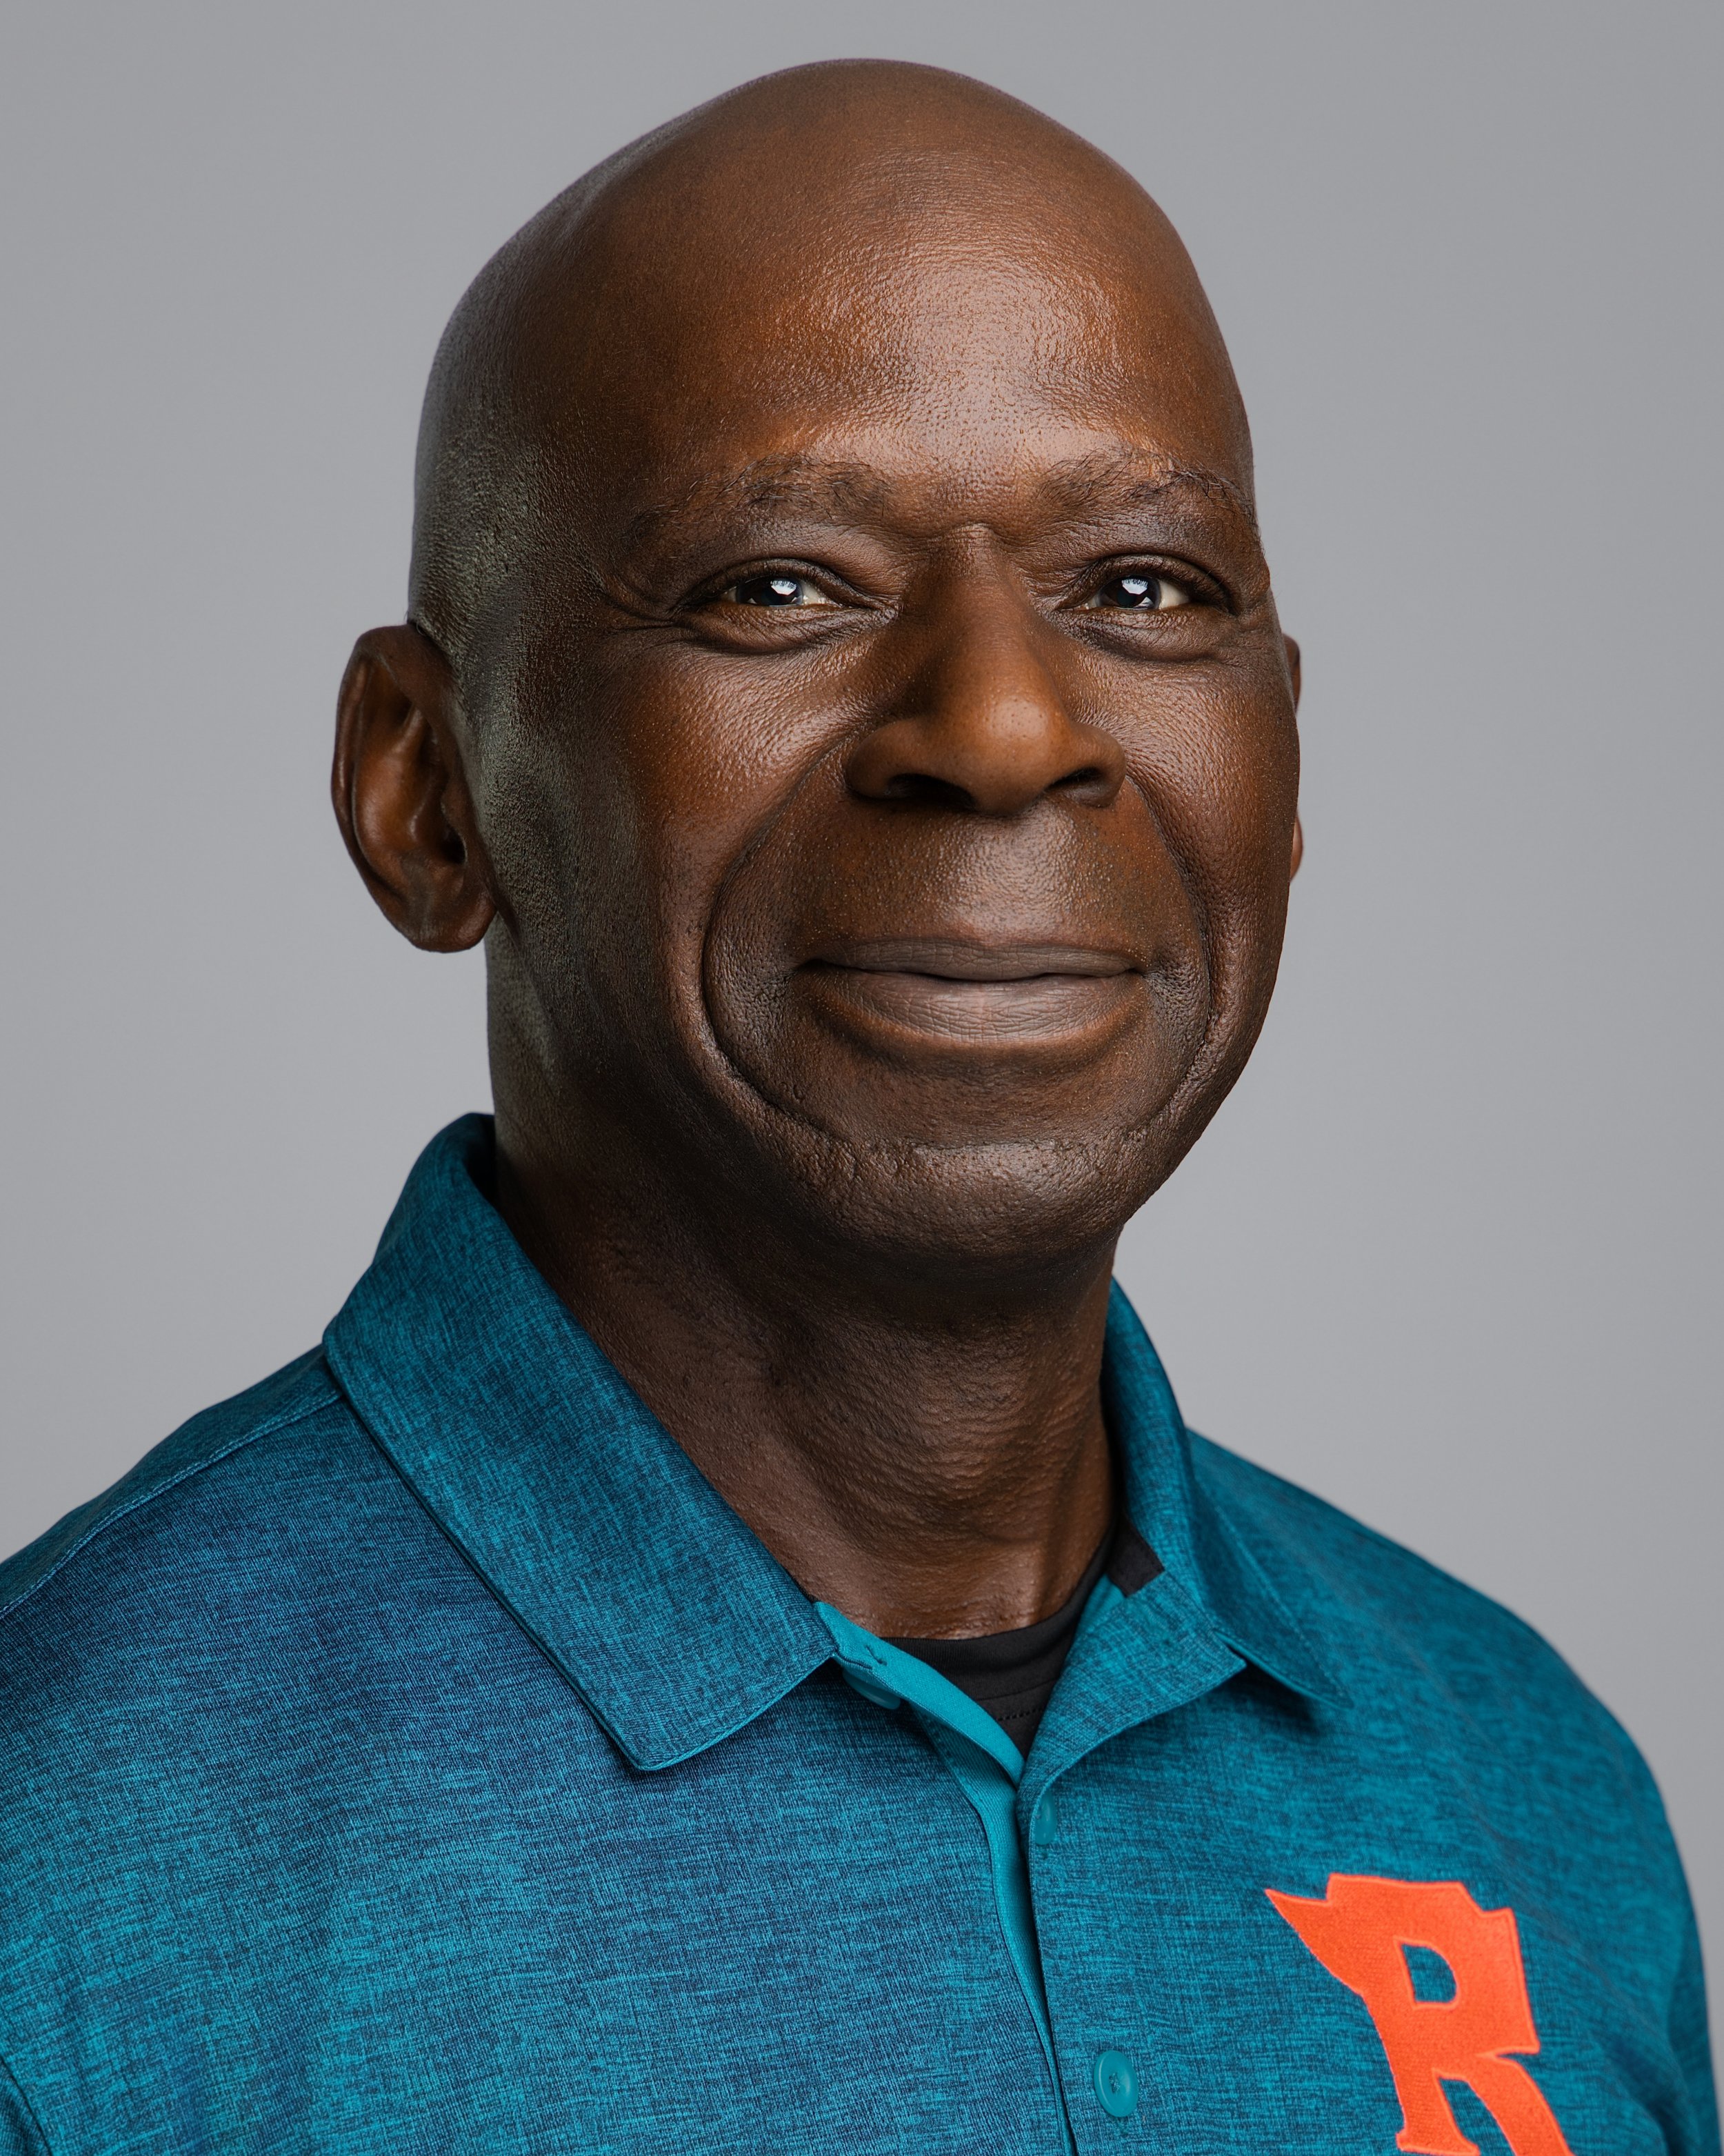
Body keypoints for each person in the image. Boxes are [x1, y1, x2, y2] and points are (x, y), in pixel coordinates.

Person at [0, 57, 1712, 2156]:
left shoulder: (1520, 1778)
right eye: (779, 584)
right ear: (425, 793)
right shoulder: (58, 1858)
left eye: (1146, 589)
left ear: (1284, 759)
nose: (1004, 726)